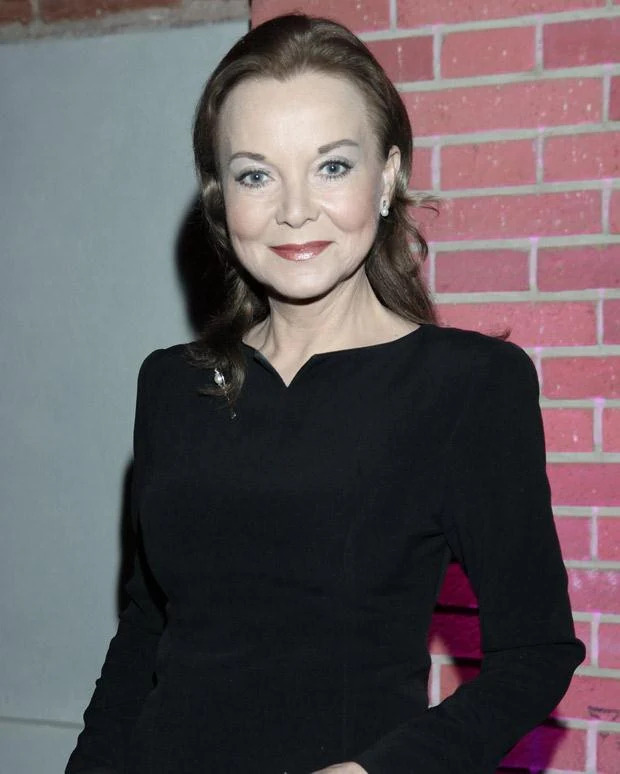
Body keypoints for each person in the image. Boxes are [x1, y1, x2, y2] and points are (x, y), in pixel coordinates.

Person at [66, 13, 585, 774]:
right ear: (221, 197)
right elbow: (146, 632)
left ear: (389, 176)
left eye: (332, 166)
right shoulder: (172, 385)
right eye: (256, 174)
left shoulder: (466, 387)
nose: (295, 209)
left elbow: (536, 653)